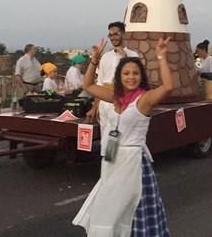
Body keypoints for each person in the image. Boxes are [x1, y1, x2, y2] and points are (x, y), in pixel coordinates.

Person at [73, 37, 172, 236]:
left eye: (135, 73)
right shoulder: (115, 97)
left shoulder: (144, 100)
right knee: (111, 206)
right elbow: (88, 86)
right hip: (112, 159)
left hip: (133, 163)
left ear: (141, 76)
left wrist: (161, 56)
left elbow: (167, 87)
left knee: (134, 208)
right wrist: (94, 60)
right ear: (119, 76)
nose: (131, 77)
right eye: (126, 73)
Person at [85, 22, 139, 148]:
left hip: (123, 103)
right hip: (105, 104)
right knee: (106, 143)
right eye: (110, 35)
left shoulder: (133, 56)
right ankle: (108, 165)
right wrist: (95, 107)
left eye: (116, 34)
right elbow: (99, 84)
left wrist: (124, 58)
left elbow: (135, 82)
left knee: (123, 141)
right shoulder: (105, 57)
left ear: (123, 34)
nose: (113, 37)